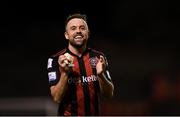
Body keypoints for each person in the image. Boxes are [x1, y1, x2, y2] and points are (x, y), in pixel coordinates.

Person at [47, 13, 114, 116]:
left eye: (82, 28)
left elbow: (109, 94)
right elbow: (56, 98)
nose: (78, 31)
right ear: (66, 35)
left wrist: (101, 75)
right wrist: (65, 73)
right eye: (73, 28)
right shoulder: (55, 59)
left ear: (88, 33)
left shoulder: (98, 57)